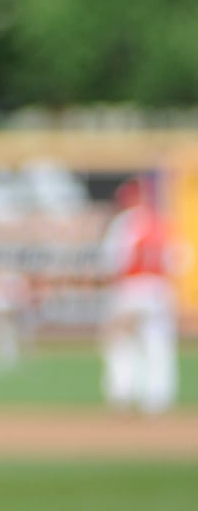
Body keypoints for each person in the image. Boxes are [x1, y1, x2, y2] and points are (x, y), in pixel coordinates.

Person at [99, 175, 183, 415]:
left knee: (121, 342)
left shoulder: (124, 223)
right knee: (158, 344)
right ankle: (157, 400)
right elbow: (178, 262)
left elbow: (113, 261)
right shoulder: (162, 223)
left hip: (131, 288)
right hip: (160, 288)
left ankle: (123, 394)